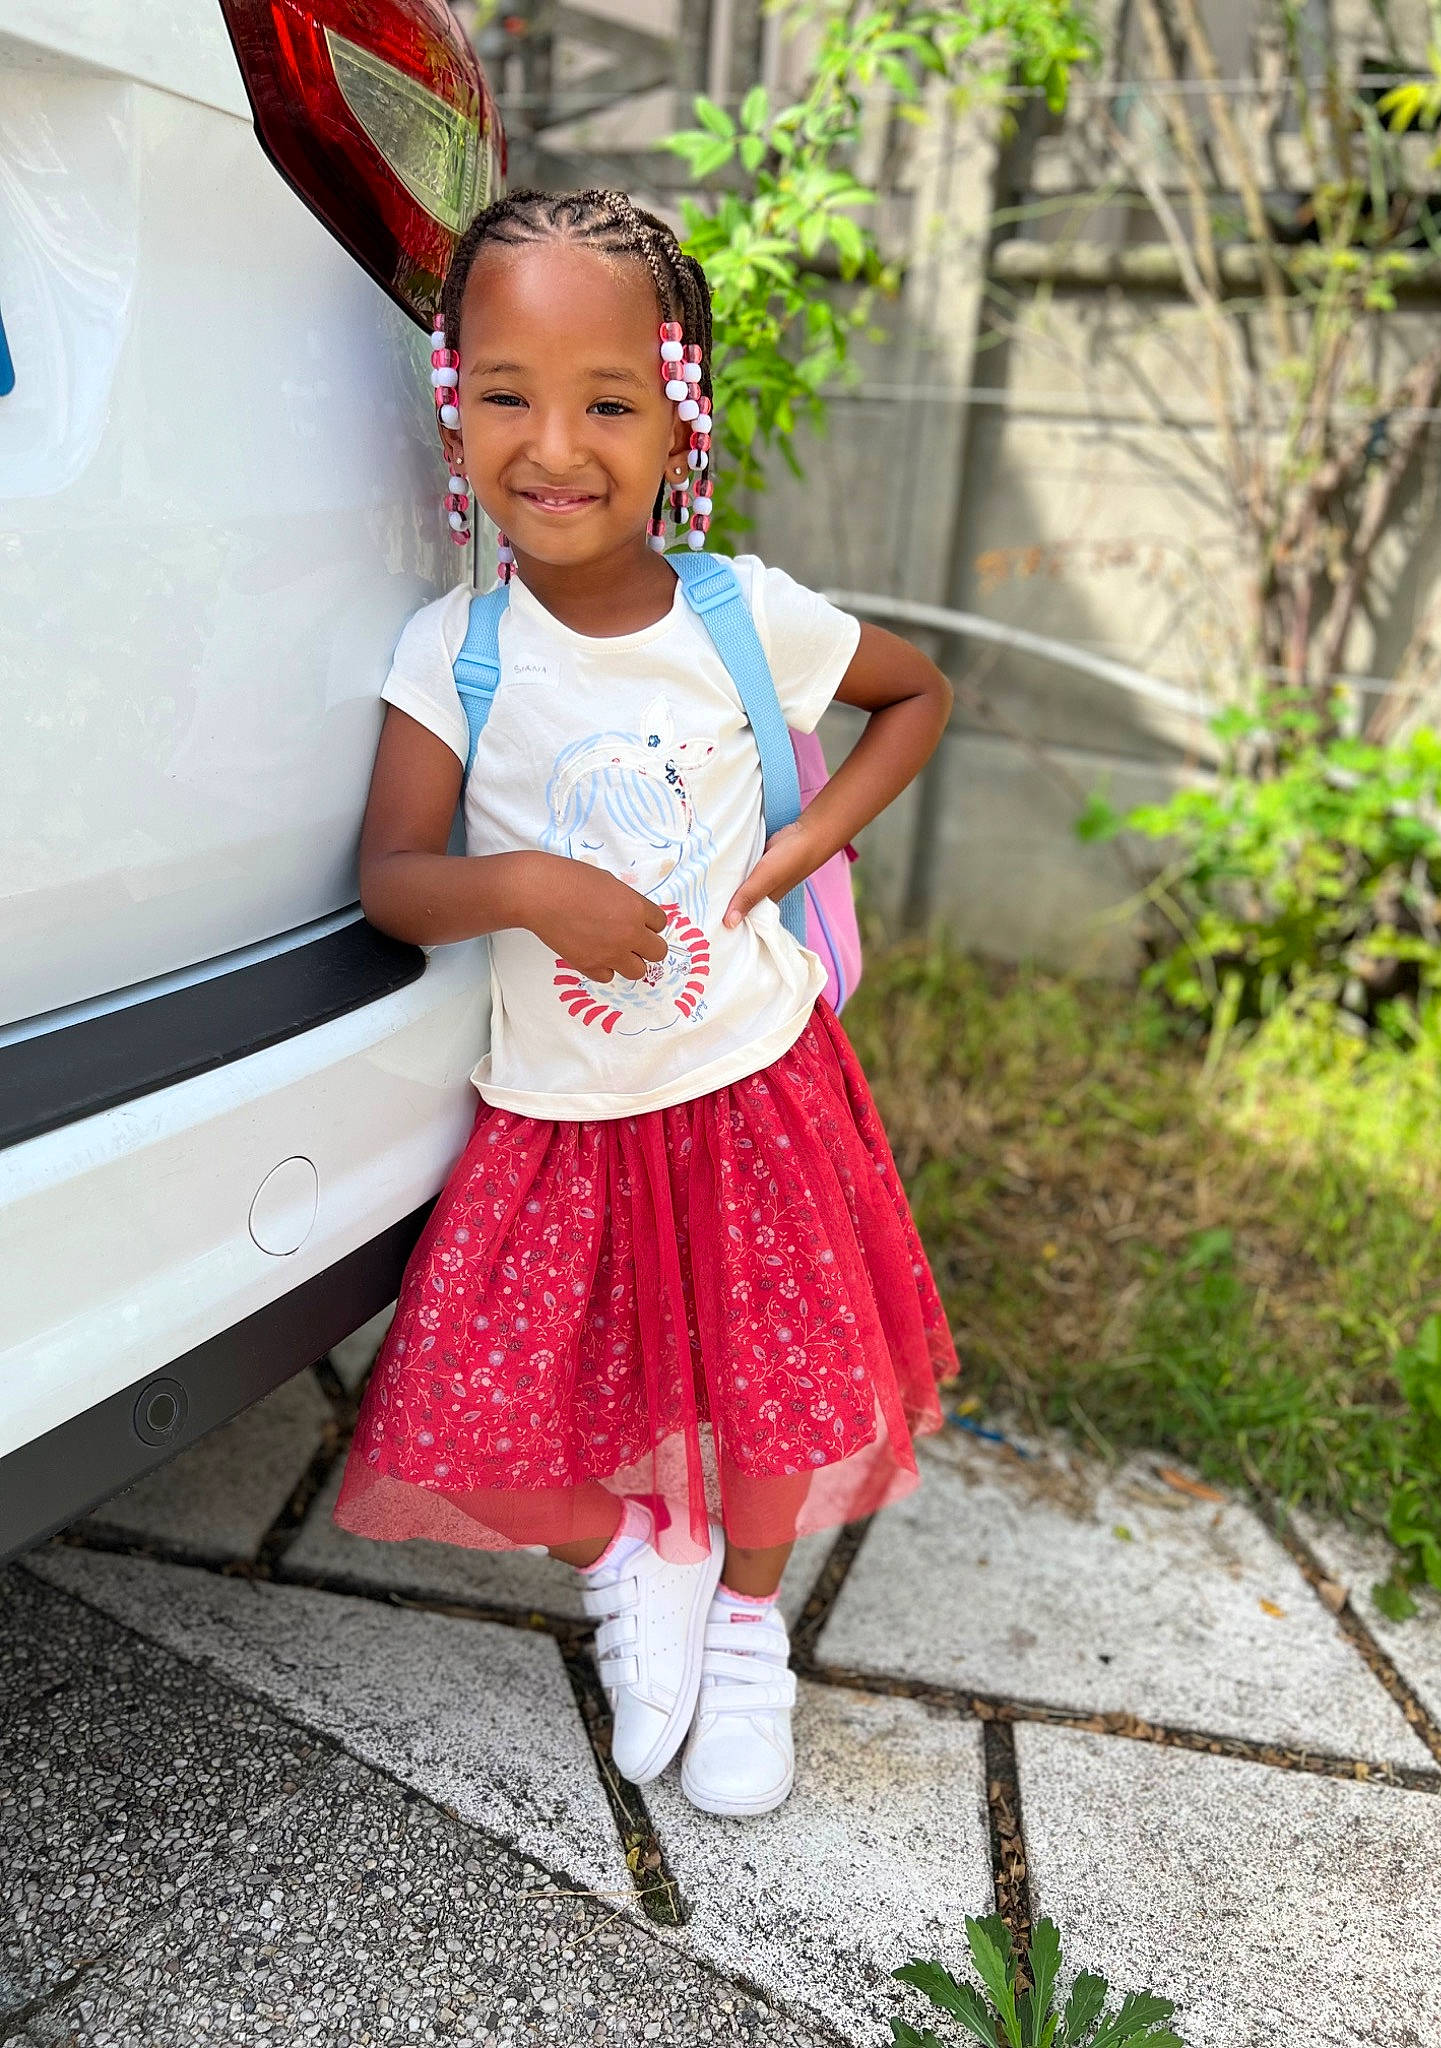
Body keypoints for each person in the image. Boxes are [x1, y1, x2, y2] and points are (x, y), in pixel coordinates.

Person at [334, 188, 957, 1817]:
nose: (555, 443)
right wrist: (530, 886)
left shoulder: (747, 615)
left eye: (608, 400)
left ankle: (750, 1622)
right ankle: (631, 1557)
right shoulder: (453, 651)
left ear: (677, 411)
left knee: (777, 1384)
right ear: (451, 404)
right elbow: (395, 876)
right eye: (506, 394)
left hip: (756, 1082)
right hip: (562, 1115)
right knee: (470, 1416)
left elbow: (916, 695)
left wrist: (801, 843)